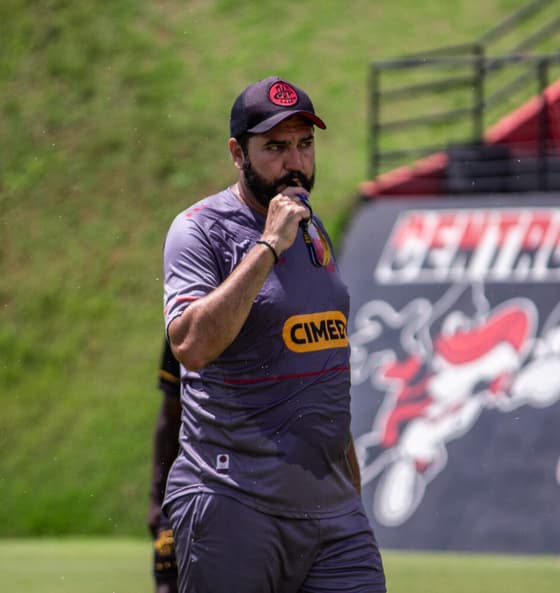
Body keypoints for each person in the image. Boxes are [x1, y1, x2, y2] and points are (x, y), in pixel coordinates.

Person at [161, 76, 386, 593]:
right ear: (238, 153)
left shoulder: (313, 228)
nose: (296, 163)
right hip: (232, 503)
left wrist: (350, 492)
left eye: (305, 145)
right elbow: (191, 347)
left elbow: (324, 369)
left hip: (332, 516)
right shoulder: (199, 230)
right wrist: (267, 246)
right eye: (276, 148)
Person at [147, 339, 182, 593]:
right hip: (184, 489)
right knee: (167, 582)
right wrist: (156, 499)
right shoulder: (184, 321)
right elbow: (170, 416)